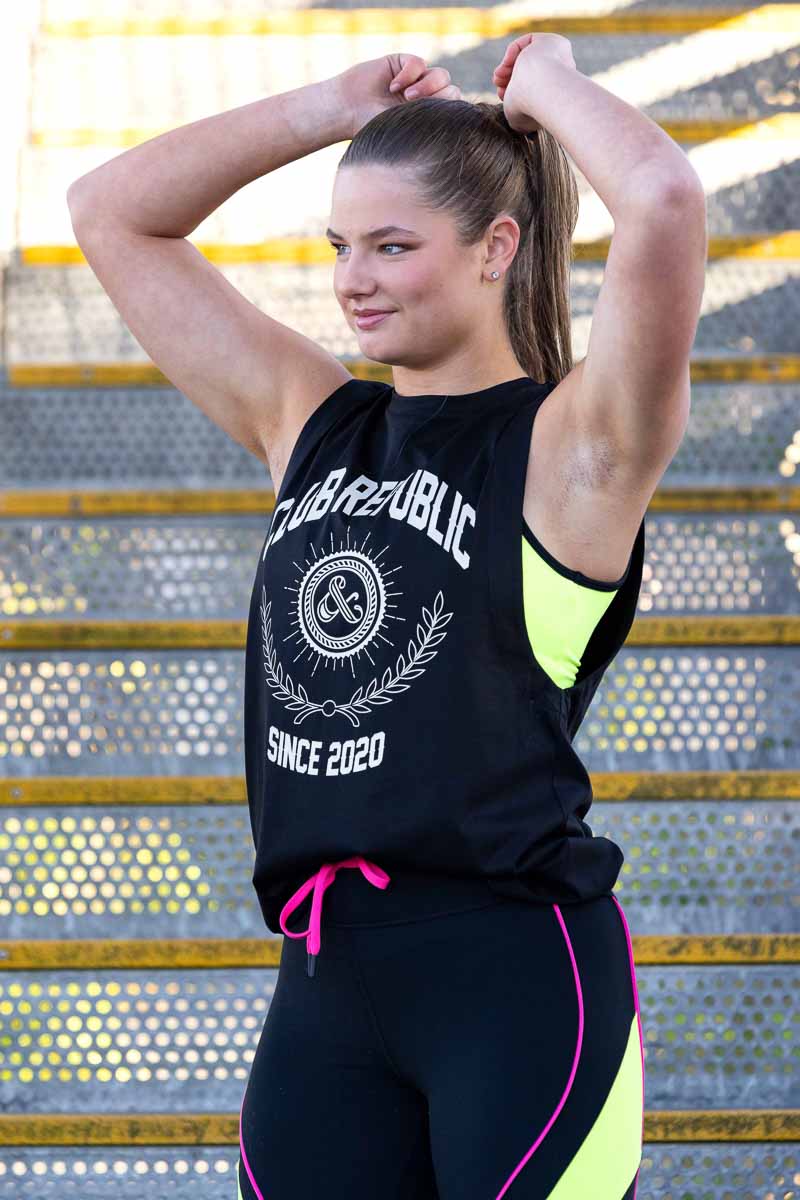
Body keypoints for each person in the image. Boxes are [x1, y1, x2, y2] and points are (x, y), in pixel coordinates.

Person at [67, 29, 706, 1200]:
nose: (350, 279)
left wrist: (541, 84)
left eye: (392, 245)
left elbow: (661, 196)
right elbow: (111, 212)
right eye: (338, 247)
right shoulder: (310, 420)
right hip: (323, 991)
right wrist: (329, 106)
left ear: (495, 249)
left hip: (514, 983)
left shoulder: (573, 451)